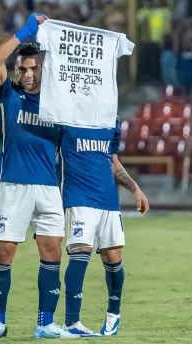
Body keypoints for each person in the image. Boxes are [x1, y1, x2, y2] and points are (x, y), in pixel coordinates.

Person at [0, 14, 78, 339]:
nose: (29, 74)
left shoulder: (58, 105)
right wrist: (26, 31)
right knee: (3, 252)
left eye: (35, 68)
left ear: (43, 70)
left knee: (52, 253)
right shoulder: (9, 96)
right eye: (24, 69)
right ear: (17, 70)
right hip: (14, 186)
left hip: (49, 188)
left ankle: (45, 323)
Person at [60, 118, 150, 336]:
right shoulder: (67, 115)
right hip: (79, 196)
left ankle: (113, 317)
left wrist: (135, 189)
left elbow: (114, 164)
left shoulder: (111, 118)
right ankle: (71, 322)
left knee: (113, 257)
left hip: (107, 199)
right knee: (80, 252)